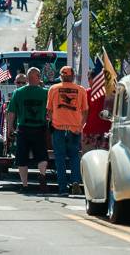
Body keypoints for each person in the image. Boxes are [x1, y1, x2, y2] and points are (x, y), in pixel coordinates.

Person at [47, 66, 88, 196]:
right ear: (73, 76)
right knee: (74, 156)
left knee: (60, 158)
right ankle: (75, 181)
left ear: (61, 76)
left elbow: (49, 110)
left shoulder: (53, 89)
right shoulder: (81, 90)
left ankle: (63, 188)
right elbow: (85, 110)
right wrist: (81, 125)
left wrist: (52, 120)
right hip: (74, 128)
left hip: (58, 128)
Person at [6, 67, 48, 193]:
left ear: (27, 78)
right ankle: (42, 175)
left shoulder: (18, 92)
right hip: (40, 128)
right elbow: (50, 111)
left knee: (22, 158)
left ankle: (25, 185)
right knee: (42, 155)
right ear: (38, 77)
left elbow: (11, 112)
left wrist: (10, 128)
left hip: (23, 128)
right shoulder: (45, 92)